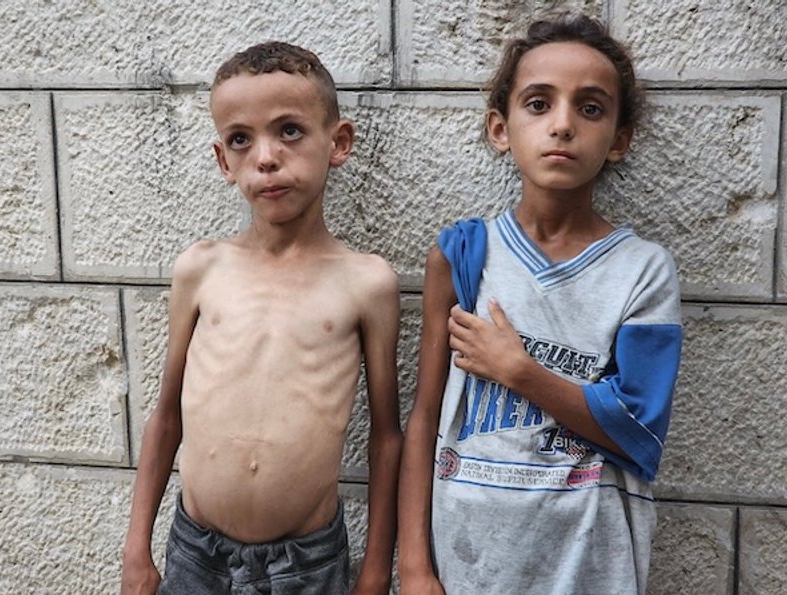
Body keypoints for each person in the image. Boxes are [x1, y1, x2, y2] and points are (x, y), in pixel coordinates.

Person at [398, 13, 682, 595]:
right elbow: (425, 417)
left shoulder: (642, 270)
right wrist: (416, 568)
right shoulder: (462, 255)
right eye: (538, 103)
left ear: (619, 139)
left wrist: (519, 371)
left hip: (586, 565)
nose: (563, 125)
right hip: (468, 563)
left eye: (590, 108)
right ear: (500, 129)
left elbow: (640, 432)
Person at [121, 41, 403, 595]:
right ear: (223, 161)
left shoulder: (366, 283)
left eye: (289, 131)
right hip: (196, 553)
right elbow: (166, 418)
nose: (266, 157)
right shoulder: (202, 269)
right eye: (241, 139)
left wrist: (375, 570)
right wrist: (136, 550)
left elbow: (386, 437)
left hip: (307, 562)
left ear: (338, 142)